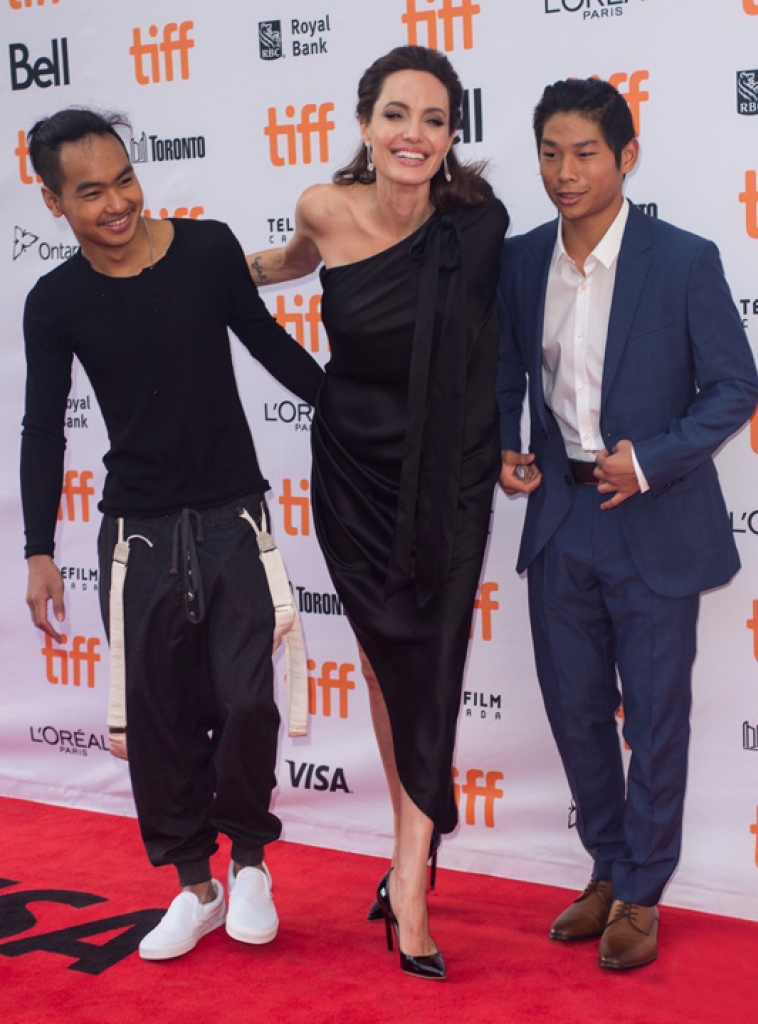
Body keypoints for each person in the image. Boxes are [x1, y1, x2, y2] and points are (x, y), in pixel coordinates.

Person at [21, 109, 324, 961]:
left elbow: (267, 344)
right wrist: (38, 549)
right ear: (53, 203)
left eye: (125, 178)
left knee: (246, 702)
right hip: (137, 537)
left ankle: (251, 862)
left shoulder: (206, 249)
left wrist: (354, 415)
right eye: (91, 192)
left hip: (232, 518)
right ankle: (196, 885)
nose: (118, 202)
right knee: (158, 723)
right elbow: (43, 428)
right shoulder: (55, 301)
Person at [246, 45, 508, 980]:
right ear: (364, 123)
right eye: (396, 114)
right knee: (385, 664)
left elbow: (497, 345)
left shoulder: (477, 225)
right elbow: (288, 262)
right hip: (354, 468)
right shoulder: (325, 206)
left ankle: (409, 878)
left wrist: (510, 443)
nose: (413, 134)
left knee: (430, 662)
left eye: (434, 120)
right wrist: (198, 268)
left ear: (451, 134)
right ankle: (411, 857)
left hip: (448, 475)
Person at [496, 77, 758, 970]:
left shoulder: (681, 259)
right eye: (549, 153)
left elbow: (733, 386)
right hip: (559, 516)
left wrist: (647, 460)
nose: (564, 173)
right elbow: (505, 370)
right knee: (575, 712)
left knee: (653, 717)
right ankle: (606, 868)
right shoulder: (521, 260)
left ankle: (642, 890)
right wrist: (504, 443)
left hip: (652, 517)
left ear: (625, 157)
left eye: (584, 153)